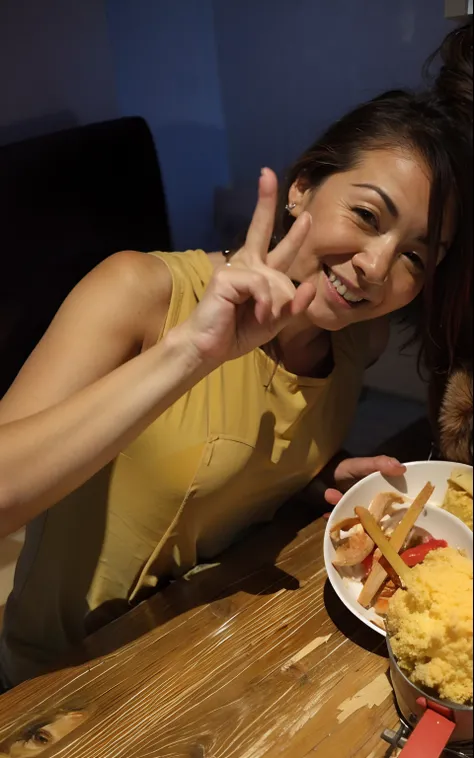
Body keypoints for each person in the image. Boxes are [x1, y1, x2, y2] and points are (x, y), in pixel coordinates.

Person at [0, 68, 470, 690]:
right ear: (302, 188)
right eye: (365, 214)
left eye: (415, 254)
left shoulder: (360, 339)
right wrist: (191, 352)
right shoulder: (140, 291)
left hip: (202, 650)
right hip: (62, 676)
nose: (377, 267)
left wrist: (324, 476)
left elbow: (242, 461)